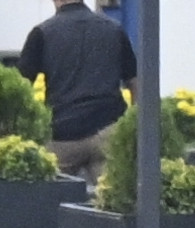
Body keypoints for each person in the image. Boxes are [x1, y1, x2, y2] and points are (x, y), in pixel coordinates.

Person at [17, 0, 138, 184]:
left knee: (52, 203)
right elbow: (135, 82)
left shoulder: (42, 33)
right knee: (111, 201)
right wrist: (133, 127)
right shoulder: (113, 29)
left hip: (62, 135)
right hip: (108, 132)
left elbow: (20, 90)